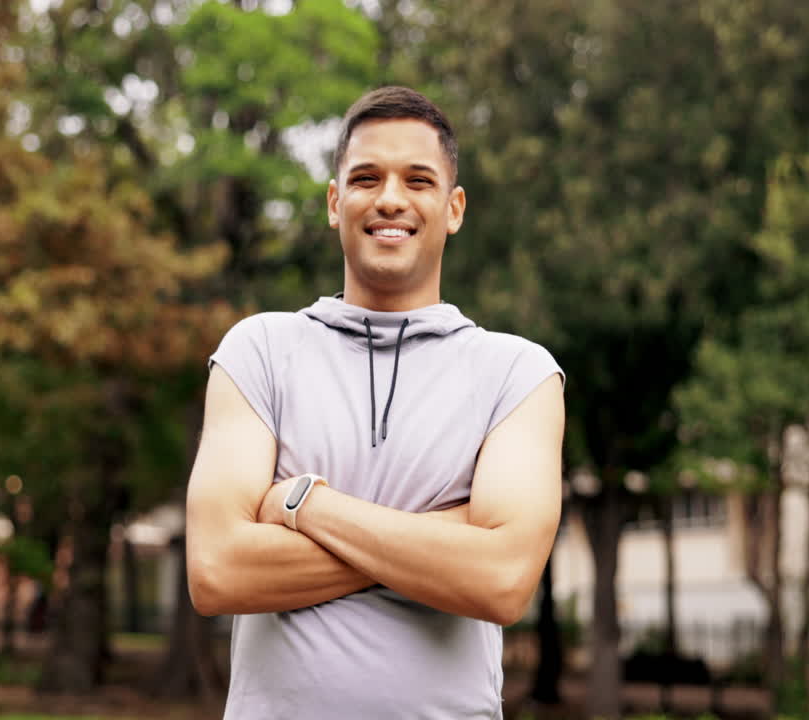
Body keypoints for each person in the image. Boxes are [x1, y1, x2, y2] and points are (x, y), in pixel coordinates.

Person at [185, 86, 566, 719]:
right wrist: (447, 539)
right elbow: (217, 571)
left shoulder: (517, 373)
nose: (391, 198)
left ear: (454, 208)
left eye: (418, 180)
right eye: (366, 178)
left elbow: (502, 582)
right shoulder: (259, 351)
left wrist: (305, 506)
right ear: (335, 203)